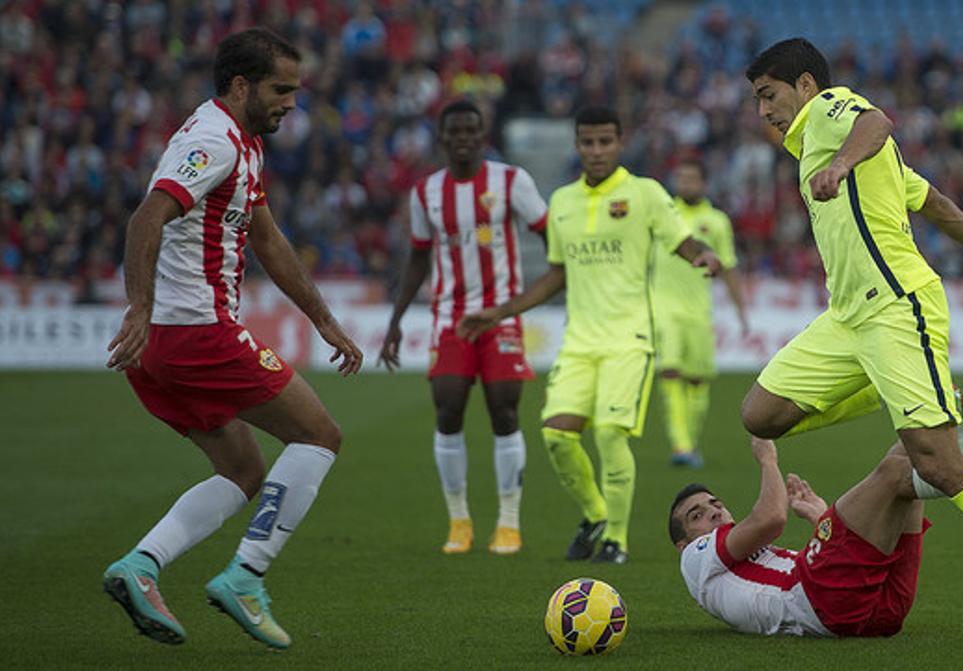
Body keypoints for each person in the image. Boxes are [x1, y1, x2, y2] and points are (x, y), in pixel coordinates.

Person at [738, 37, 963, 651]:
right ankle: (930, 391)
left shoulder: (834, 112)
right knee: (760, 414)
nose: (763, 111)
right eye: (757, 100)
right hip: (846, 319)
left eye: (769, 95)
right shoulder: (864, 157)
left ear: (806, 85)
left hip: (897, 308)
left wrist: (840, 164)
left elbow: (877, 119)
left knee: (938, 463)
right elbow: (936, 202)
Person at [102, 28, 363, 650]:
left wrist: (323, 320)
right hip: (198, 335)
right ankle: (245, 577)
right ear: (241, 85)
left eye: (296, 91)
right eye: (281, 89)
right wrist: (139, 305)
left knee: (243, 469)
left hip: (166, 348)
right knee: (320, 436)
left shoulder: (240, 142)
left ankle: (141, 566)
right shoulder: (214, 140)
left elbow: (268, 240)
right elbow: (147, 216)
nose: (291, 103)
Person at [458, 106, 722, 564]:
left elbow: (683, 242)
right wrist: (501, 311)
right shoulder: (562, 202)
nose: (596, 151)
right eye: (588, 142)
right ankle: (596, 512)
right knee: (557, 437)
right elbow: (557, 274)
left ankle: (616, 540)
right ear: (577, 145)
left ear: (620, 143)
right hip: (579, 341)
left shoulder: (645, 194)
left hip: (629, 339)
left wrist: (705, 255)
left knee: (610, 438)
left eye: (605, 142)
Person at [671, 381, 963, 651]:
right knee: (892, 474)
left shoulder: (740, 561)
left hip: (876, 610)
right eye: (697, 515)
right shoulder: (696, 557)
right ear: (683, 542)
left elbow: (821, 555)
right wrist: (767, 457)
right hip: (822, 602)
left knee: (902, 460)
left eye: (714, 504)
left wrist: (820, 517)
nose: (712, 512)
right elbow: (771, 518)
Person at [379, 100, 548, 556]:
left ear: (482, 133)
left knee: (504, 411)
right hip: (450, 318)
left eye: (471, 130)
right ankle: (459, 522)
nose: (463, 138)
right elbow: (417, 258)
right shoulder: (426, 193)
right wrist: (395, 321)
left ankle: (508, 523)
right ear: (442, 137)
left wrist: (552, 280)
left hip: (500, 316)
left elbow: (548, 230)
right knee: (448, 408)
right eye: (454, 131)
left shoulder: (511, 181)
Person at [653, 158, 748, 468]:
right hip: (663, 305)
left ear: (704, 183)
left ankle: (689, 444)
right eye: (680, 177)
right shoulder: (664, 214)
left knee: (697, 381)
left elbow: (729, 267)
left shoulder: (717, 221)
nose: (685, 184)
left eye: (691, 178)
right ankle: (679, 445)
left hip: (698, 311)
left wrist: (741, 310)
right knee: (669, 370)